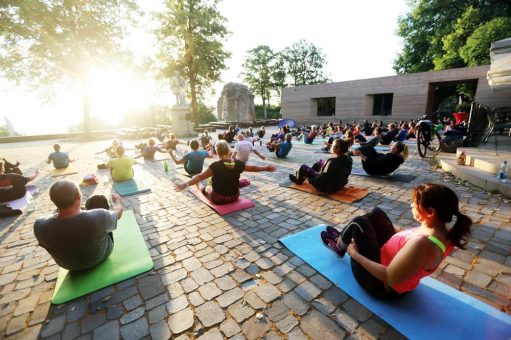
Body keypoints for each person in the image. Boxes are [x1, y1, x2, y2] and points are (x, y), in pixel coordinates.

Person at [321, 183, 472, 298]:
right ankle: (343, 236)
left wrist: (354, 254)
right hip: (390, 258)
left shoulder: (423, 244)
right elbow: (410, 244)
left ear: (430, 212)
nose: (411, 205)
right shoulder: (445, 232)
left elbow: (389, 277)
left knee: (358, 222)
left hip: (380, 285)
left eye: (415, 203)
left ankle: (340, 246)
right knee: (375, 213)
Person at [33, 180, 123, 271]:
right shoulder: (100, 215)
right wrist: (118, 202)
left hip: (69, 266)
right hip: (100, 256)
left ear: (53, 200)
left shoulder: (39, 226)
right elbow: (118, 214)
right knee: (98, 201)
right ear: (78, 196)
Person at [174, 140, 276, 204]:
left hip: (219, 199)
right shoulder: (237, 163)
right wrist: (266, 168)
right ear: (228, 151)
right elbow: (253, 168)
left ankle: (202, 190)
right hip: (235, 196)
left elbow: (200, 177)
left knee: (205, 187)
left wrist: (185, 184)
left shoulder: (215, 166)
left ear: (217, 153)